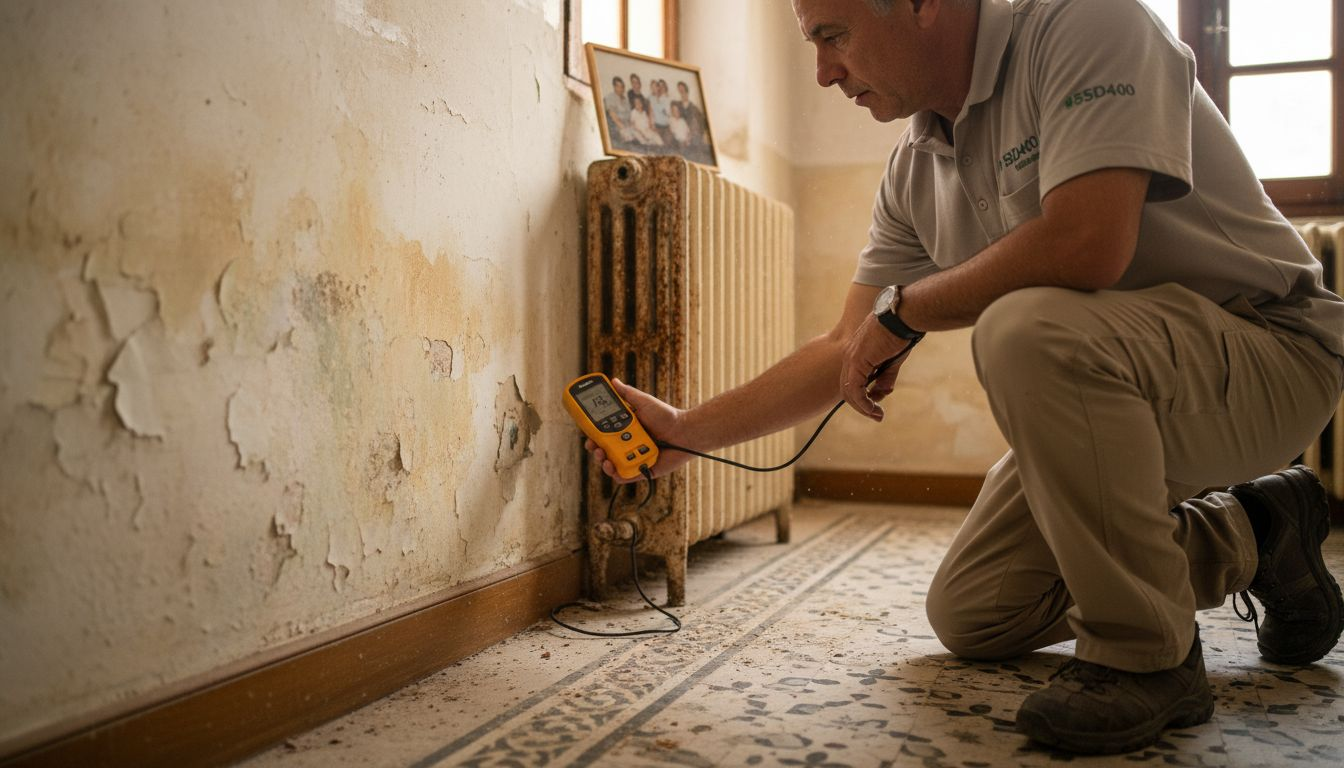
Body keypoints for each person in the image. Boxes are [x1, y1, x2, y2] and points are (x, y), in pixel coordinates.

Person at [584, 0, 1344, 756]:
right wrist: (686, 432)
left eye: (833, 36)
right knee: (977, 613)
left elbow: (1087, 243)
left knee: (1025, 326)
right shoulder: (916, 167)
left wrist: (908, 308)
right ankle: (1258, 531)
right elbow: (849, 343)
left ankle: (1146, 658)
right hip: (1119, 382)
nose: (822, 73)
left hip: (1271, 353)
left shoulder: (1088, 24)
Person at [603, 76, 636, 145]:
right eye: (619, 86)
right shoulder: (610, 98)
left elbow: (630, 116)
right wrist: (625, 128)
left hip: (628, 125)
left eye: (622, 86)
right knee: (631, 139)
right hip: (618, 126)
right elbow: (614, 117)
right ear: (614, 87)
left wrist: (632, 126)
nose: (621, 89)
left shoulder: (626, 100)